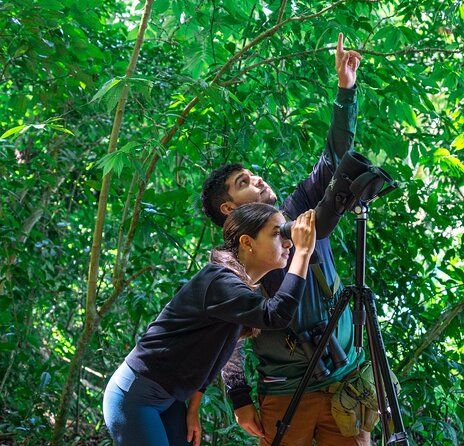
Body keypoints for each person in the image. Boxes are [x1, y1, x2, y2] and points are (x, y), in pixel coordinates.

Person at [200, 33, 370, 445]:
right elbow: (228, 339)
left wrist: (345, 91)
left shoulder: (302, 207)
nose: (257, 178)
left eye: (252, 173)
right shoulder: (229, 263)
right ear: (228, 209)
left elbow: (334, 157)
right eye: (243, 182)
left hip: (344, 380)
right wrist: (240, 398)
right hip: (284, 389)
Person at [103, 204, 317, 446]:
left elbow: (213, 356)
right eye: (278, 234)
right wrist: (303, 253)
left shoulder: (236, 287)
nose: (288, 243)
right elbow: (275, 315)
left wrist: (192, 409)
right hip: (135, 397)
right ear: (247, 242)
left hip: (170, 399)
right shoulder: (220, 282)